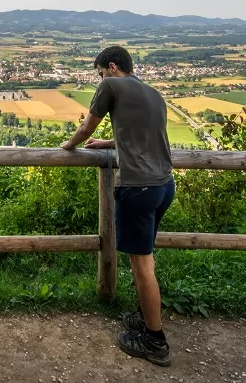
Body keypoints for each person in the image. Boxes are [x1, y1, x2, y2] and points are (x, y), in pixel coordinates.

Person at [61, 45, 175, 367]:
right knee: (147, 260)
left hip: (138, 187)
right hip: (165, 185)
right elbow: (142, 135)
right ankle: (144, 316)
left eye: (100, 72)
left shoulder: (110, 85)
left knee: (142, 268)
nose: (100, 78)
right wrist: (108, 144)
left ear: (111, 67)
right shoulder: (154, 93)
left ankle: (155, 340)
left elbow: (86, 127)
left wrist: (68, 146)